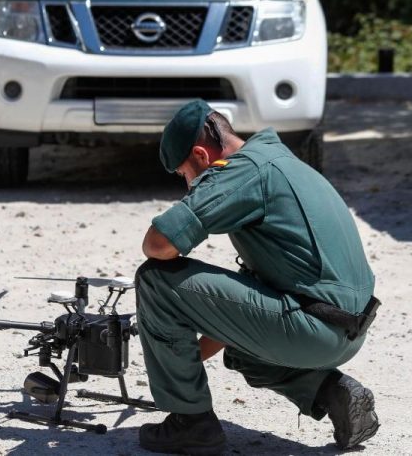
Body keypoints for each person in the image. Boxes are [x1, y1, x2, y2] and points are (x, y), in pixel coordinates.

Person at [135, 100, 381, 454]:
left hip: (314, 329)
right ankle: (332, 392)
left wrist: (173, 366)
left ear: (201, 155)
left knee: (156, 280)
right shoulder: (279, 161)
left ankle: (191, 425)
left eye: (184, 175)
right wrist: (175, 360)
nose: (187, 185)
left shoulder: (244, 172)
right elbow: (236, 317)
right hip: (346, 330)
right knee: (242, 353)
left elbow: (157, 244)